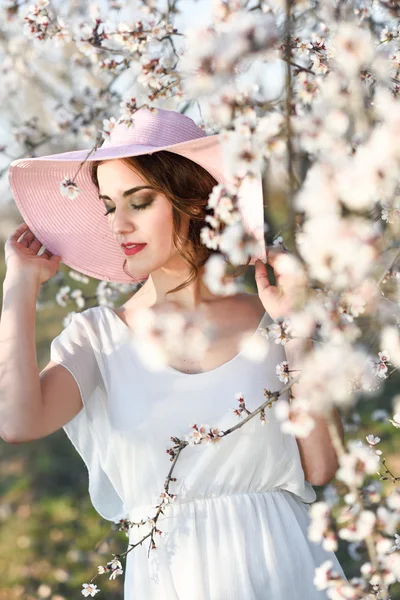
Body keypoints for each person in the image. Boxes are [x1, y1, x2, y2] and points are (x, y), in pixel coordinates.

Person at [1, 107, 347, 598]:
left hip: (286, 566)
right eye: (107, 206)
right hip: (173, 580)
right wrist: (20, 286)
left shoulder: (273, 318)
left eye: (138, 202)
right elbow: (17, 423)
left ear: (190, 200)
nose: (118, 224)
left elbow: (320, 467)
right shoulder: (98, 337)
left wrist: (298, 332)